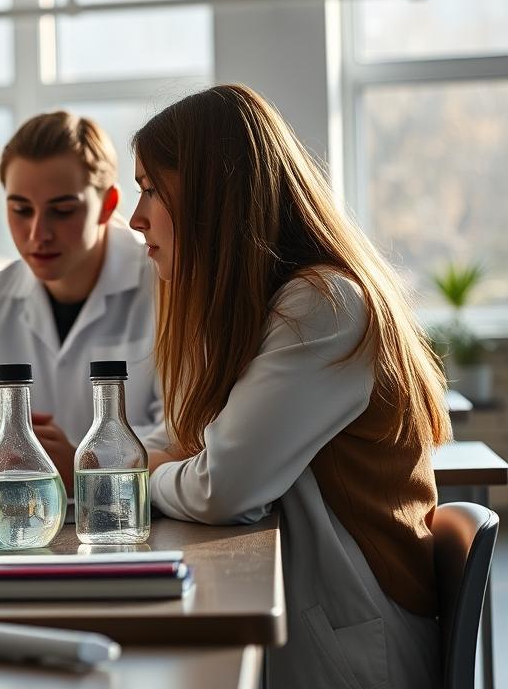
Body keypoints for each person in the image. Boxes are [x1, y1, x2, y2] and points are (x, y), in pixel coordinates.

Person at [129, 84, 448, 688]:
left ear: (210, 195)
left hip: (351, 650)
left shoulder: (324, 305)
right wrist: (142, 461)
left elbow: (223, 486)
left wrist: (132, 477)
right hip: (315, 626)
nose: (135, 217)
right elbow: (186, 443)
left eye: (151, 189)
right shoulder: (258, 307)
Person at [0, 111, 162, 485]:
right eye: (20, 210)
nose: (38, 234)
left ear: (109, 204)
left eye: (62, 211)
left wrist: (85, 461)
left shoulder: (163, 284)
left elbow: (183, 436)